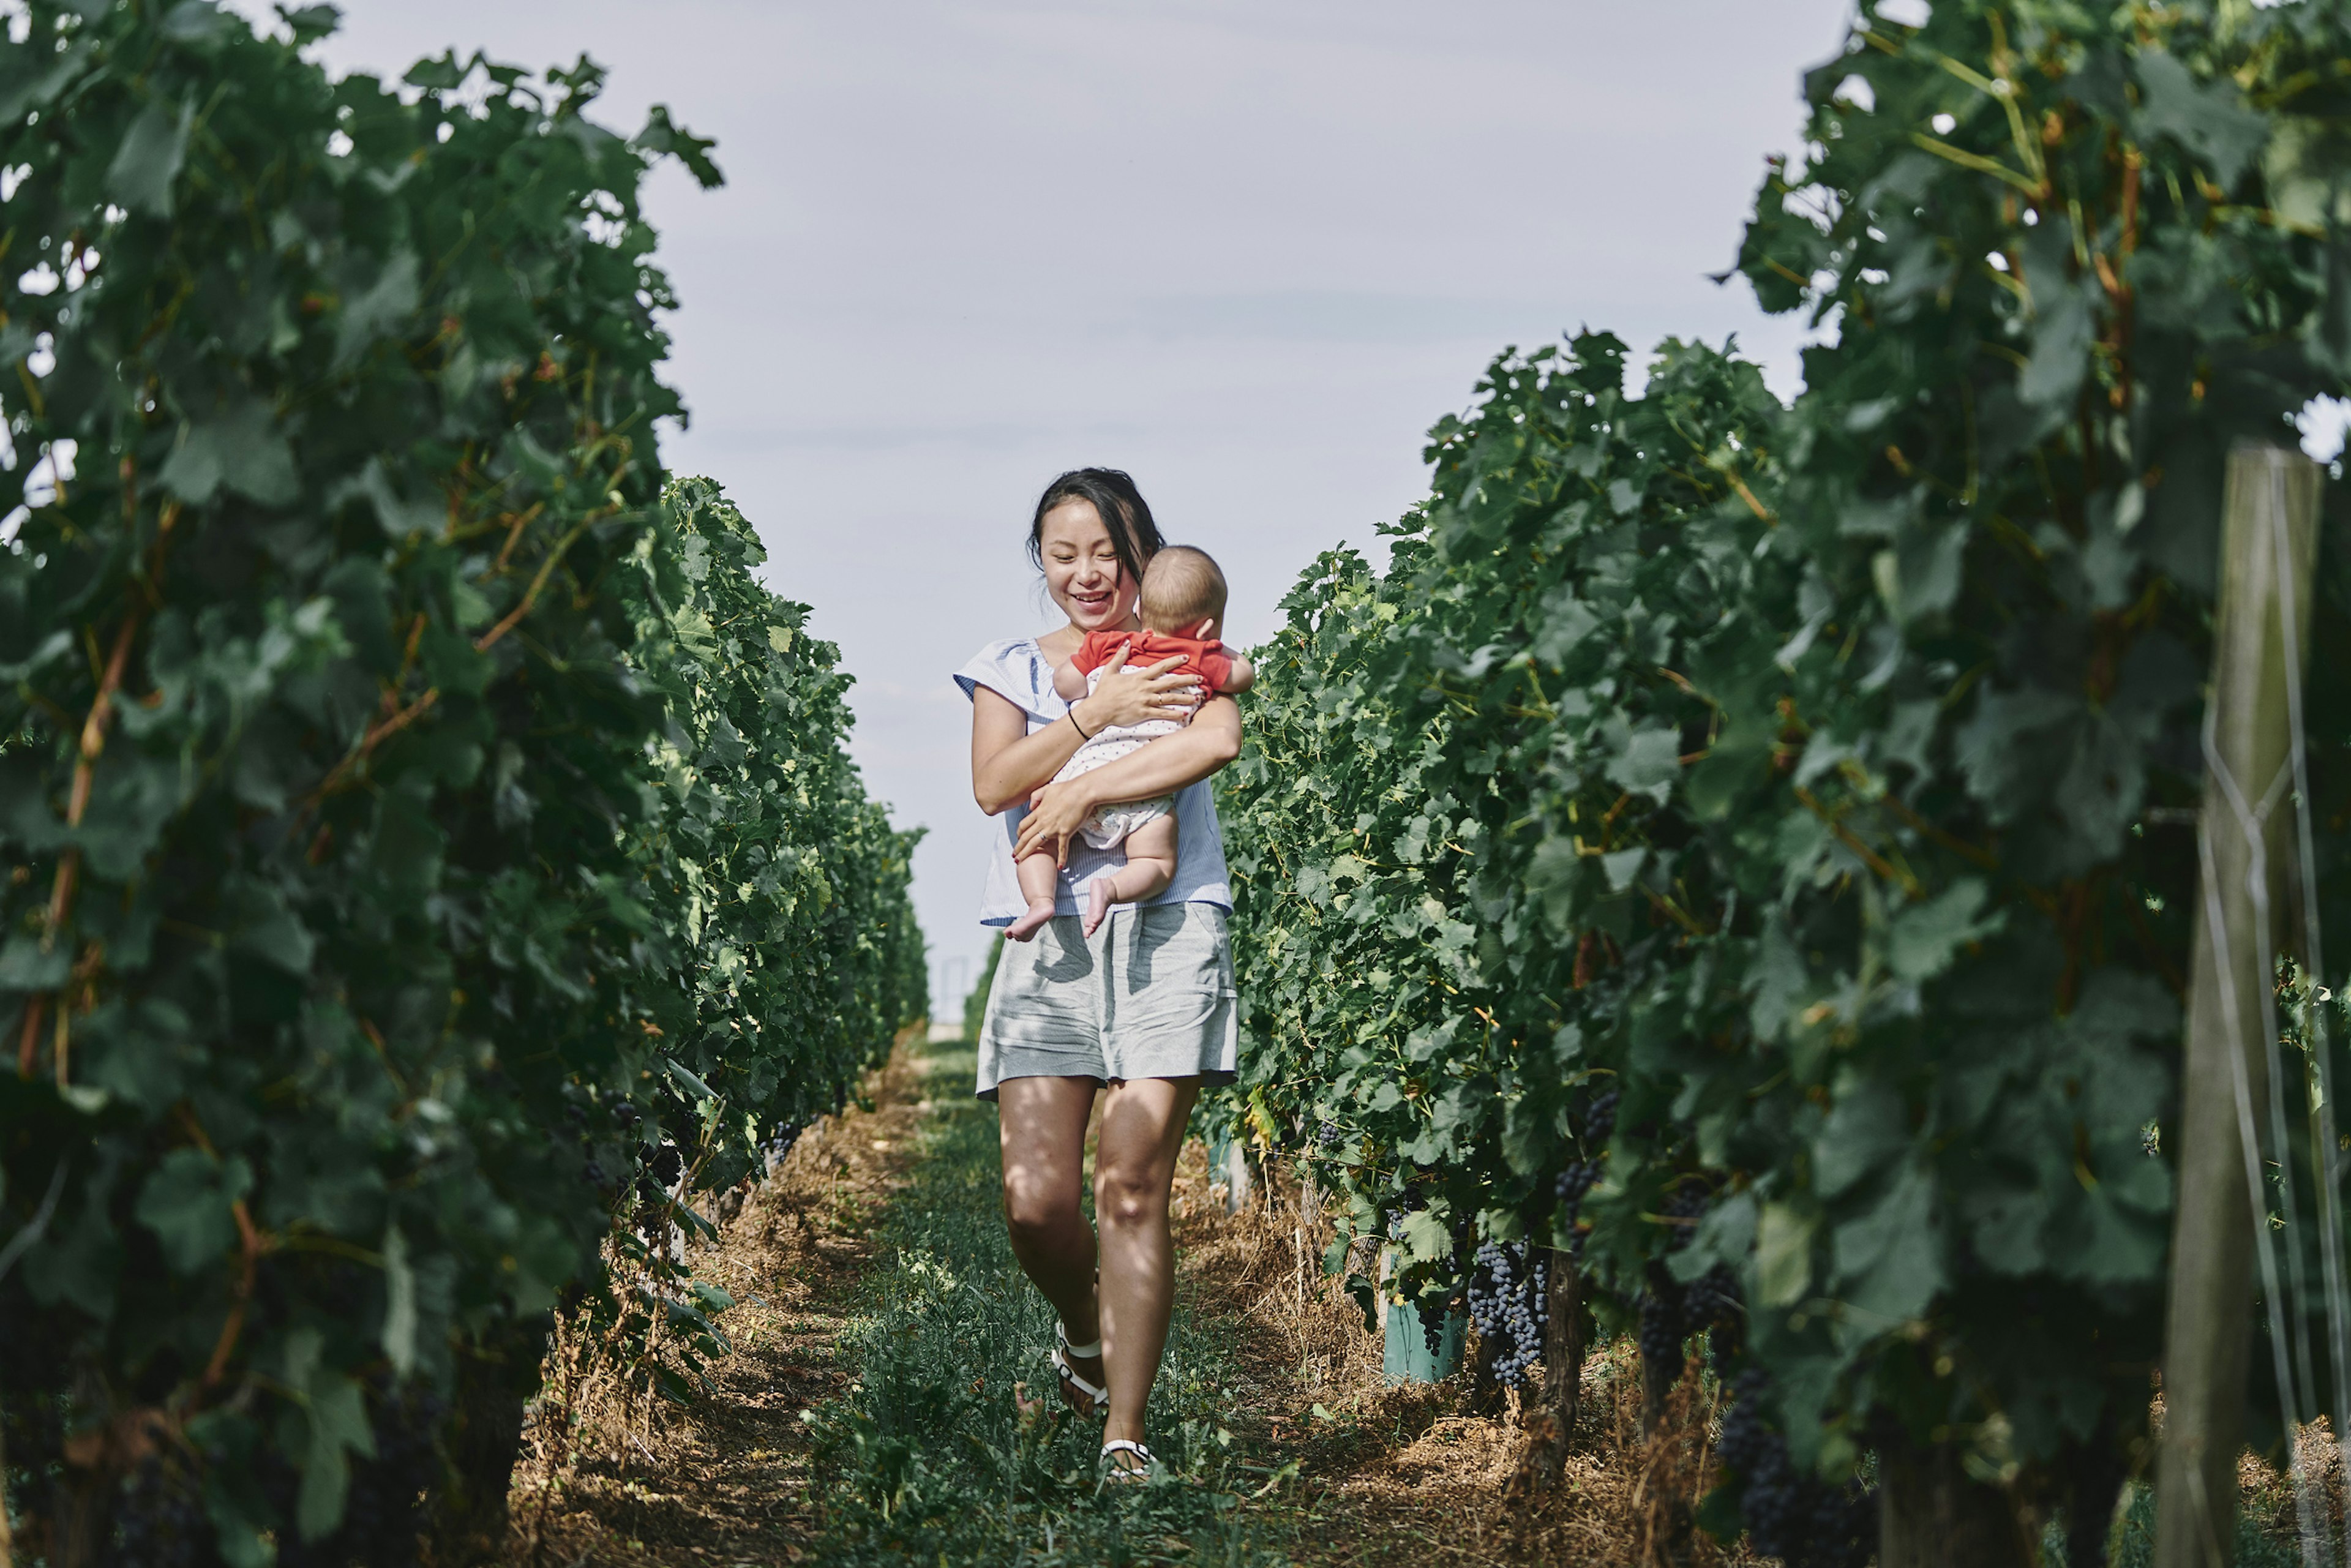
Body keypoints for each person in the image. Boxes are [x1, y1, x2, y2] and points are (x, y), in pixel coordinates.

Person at [953, 468, 1244, 1480]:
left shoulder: (1182, 654)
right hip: (1050, 944)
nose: (1084, 572)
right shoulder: (1013, 667)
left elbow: (1217, 739)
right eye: (1062, 552)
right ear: (1041, 560)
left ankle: (1125, 1436)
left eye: (1105, 552)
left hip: (1167, 927)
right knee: (1037, 1201)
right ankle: (1086, 1332)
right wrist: (1095, 715)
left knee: (1131, 1187)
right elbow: (994, 781)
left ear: (1141, 554)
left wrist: (1079, 797)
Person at [1003, 544, 1254, 942]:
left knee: (1035, 841)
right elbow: (1243, 675)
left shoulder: (1110, 644)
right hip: (1143, 785)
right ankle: (1114, 888)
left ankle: (1039, 901)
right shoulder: (1201, 657)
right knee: (1156, 858)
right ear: (1208, 628)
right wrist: (1210, 647)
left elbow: (1065, 682)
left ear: (1141, 606)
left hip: (1079, 772)